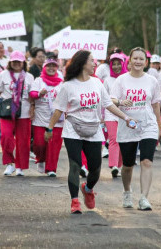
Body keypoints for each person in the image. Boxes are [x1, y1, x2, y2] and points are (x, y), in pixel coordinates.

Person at [45, 50, 136, 214]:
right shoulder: (68, 86)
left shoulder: (97, 83)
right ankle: (74, 201)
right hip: (73, 129)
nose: (95, 63)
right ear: (82, 63)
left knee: (95, 169)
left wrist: (126, 117)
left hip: (94, 130)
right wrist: (50, 129)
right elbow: (58, 110)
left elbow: (108, 105)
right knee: (75, 165)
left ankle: (87, 189)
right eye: (92, 61)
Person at [111, 47, 161, 210]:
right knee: (127, 165)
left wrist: (159, 128)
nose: (138, 62)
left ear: (146, 62)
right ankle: (127, 192)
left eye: (142, 59)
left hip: (148, 125)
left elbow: (155, 105)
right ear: (130, 61)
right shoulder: (121, 80)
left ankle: (144, 198)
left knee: (146, 161)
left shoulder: (151, 81)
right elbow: (111, 99)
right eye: (136, 59)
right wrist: (120, 102)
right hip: (128, 126)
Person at [0, 51, 34, 176]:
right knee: (6, 137)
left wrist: (33, 108)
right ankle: (9, 163)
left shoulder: (29, 77)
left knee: (23, 141)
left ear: (23, 62)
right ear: (10, 62)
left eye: (19, 61)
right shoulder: (3, 75)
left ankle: (20, 167)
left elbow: (31, 95)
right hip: (7, 110)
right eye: (14, 61)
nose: (17, 64)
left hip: (24, 112)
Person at [29, 59, 64, 177]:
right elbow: (32, 94)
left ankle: (51, 169)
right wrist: (39, 94)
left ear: (57, 68)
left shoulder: (61, 83)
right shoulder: (39, 80)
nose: (51, 68)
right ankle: (41, 159)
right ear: (44, 67)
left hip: (57, 118)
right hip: (40, 117)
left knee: (54, 144)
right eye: (48, 66)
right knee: (39, 143)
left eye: (54, 66)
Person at [103, 53, 128, 177]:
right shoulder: (107, 80)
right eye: (114, 64)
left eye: (119, 64)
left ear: (123, 64)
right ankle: (113, 165)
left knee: (123, 140)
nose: (116, 66)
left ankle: (119, 166)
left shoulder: (128, 78)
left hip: (125, 114)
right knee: (113, 139)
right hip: (110, 113)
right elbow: (104, 98)